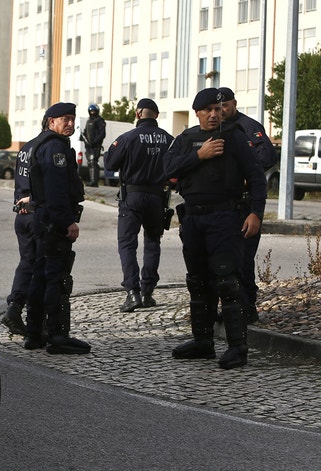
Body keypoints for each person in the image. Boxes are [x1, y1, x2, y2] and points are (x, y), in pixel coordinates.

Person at [163, 88, 267, 369]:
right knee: (198, 282)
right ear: (196, 112)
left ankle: (237, 347)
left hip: (225, 217)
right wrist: (200, 156)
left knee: (227, 282)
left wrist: (256, 213)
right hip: (194, 219)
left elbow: (257, 178)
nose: (213, 114)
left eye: (217, 109)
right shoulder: (185, 140)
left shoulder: (234, 138)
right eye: (207, 110)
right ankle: (203, 342)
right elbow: (166, 170)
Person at [25, 102, 91, 354]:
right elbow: (55, 190)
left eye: (73, 119)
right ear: (51, 122)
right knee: (56, 279)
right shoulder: (55, 148)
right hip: (54, 221)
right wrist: (67, 222)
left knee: (40, 276)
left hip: (44, 218)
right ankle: (56, 335)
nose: (71, 123)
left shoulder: (43, 143)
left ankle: (34, 335)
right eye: (65, 119)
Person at [104, 98, 174, 312]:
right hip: (157, 197)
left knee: (127, 244)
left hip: (131, 197)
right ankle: (147, 292)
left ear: (137, 114)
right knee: (153, 242)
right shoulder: (169, 140)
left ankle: (132, 293)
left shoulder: (128, 137)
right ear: (156, 116)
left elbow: (109, 164)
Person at [218, 87, 279, 324]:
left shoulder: (250, 127)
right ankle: (232, 306)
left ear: (234, 103)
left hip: (247, 202)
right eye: (217, 107)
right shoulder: (216, 128)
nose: (221, 111)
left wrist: (245, 170)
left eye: (225, 105)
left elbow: (268, 157)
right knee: (225, 260)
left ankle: (248, 307)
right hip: (224, 204)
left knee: (243, 259)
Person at [0, 139, 35, 336]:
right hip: (36, 213)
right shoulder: (48, 147)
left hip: (22, 212)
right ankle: (33, 317)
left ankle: (15, 306)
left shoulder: (26, 148)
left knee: (27, 262)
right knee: (39, 266)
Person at [81, 103, 106, 187]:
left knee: (93, 162)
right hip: (88, 146)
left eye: (93, 111)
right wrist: (82, 137)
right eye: (91, 111)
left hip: (95, 146)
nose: (92, 113)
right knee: (90, 163)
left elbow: (102, 134)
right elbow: (85, 131)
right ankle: (91, 180)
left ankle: (94, 181)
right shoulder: (88, 121)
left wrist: (95, 142)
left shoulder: (100, 121)